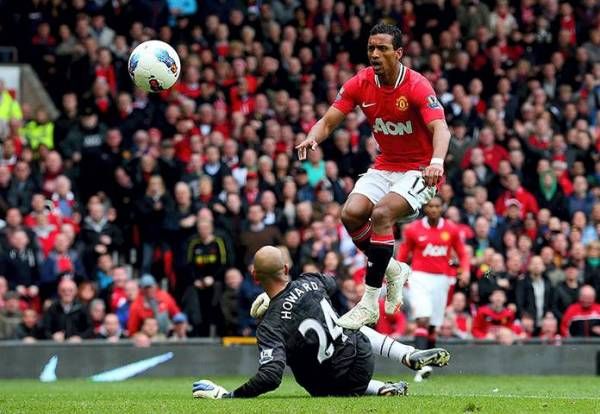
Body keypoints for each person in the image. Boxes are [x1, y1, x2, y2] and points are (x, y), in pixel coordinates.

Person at [295, 23, 451, 329]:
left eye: (382, 48)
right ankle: (392, 269)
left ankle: (369, 302)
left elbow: (440, 128)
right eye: (371, 48)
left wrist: (436, 162)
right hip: (384, 165)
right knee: (351, 214)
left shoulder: (417, 85)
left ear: (399, 53)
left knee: (380, 214)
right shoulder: (361, 82)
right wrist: (313, 137)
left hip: (420, 171)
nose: (375, 54)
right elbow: (328, 120)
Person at [192, 246, 449, 399]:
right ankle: (406, 356)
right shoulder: (310, 281)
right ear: (285, 267)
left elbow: (270, 377)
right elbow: (332, 282)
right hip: (361, 358)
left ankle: (378, 387)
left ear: (254, 276)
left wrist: (231, 396)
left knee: (319, 367)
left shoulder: (269, 326)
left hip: (326, 385)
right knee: (349, 324)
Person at [397, 196, 469, 381]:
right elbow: (404, 253)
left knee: (433, 326)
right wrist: (399, 273)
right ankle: (420, 366)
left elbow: (461, 252)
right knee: (422, 318)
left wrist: (465, 270)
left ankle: (427, 364)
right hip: (419, 277)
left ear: (442, 208)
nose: (434, 209)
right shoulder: (414, 229)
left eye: (437, 206)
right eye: (430, 206)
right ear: (425, 208)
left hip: (442, 279)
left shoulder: (451, 229)